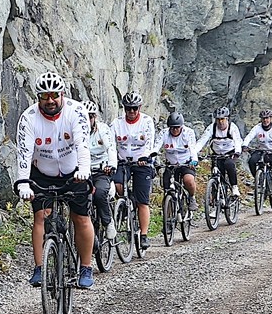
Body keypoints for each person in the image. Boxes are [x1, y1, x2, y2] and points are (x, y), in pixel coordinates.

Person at [15, 71, 94, 289]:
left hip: (73, 171)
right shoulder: (29, 118)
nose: (50, 101)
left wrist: (84, 169)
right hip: (42, 172)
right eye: (44, 96)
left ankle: (86, 267)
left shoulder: (76, 111)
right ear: (38, 97)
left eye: (54, 95)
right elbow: (24, 152)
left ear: (62, 94)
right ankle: (40, 268)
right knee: (41, 216)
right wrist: (23, 181)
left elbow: (82, 144)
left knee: (81, 218)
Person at [111, 91, 156, 252]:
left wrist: (146, 156)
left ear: (140, 108)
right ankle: (127, 200)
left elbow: (150, 141)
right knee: (116, 185)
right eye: (128, 108)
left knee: (143, 201)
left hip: (142, 162)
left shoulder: (146, 121)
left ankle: (143, 234)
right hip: (123, 161)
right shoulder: (117, 123)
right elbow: (110, 143)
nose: (131, 112)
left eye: (134, 108)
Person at [84, 99, 117, 240]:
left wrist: (112, 164)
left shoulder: (103, 129)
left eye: (90, 117)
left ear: (94, 117)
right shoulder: (75, 130)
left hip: (101, 171)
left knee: (99, 194)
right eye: (84, 117)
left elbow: (111, 147)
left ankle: (108, 222)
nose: (87, 120)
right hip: (83, 171)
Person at [195, 106, 244, 198]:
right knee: (215, 174)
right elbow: (202, 141)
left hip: (230, 153)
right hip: (216, 154)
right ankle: (216, 201)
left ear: (227, 119)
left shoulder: (232, 127)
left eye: (222, 119)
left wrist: (237, 152)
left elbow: (237, 140)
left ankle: (234, 187)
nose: (220, 122)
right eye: (218, 119)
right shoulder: (212, 128)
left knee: (229, 164)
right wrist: (194, 153)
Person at [155, 112, 200, 209]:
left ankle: (192, 197)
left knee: (188, 181)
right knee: (167, 190)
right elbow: (156, 148)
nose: (175, 130)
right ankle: (169, 215)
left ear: (181, 126)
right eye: (172, 127)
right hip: (171, 165)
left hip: (186, 164)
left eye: (177, 127)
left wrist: (194, 160)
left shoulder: (188, 133)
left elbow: (193, 148)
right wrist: (152, 159)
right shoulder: (164, 133)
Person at [243, 109, 272, 202]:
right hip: (261, 150)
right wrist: (245, 145)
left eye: (267, 118)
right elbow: (250, 136)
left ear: (271, 118)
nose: (265, 120)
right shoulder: (257, 128)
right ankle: (258, 180)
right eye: (263, 118)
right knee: (252, 161)